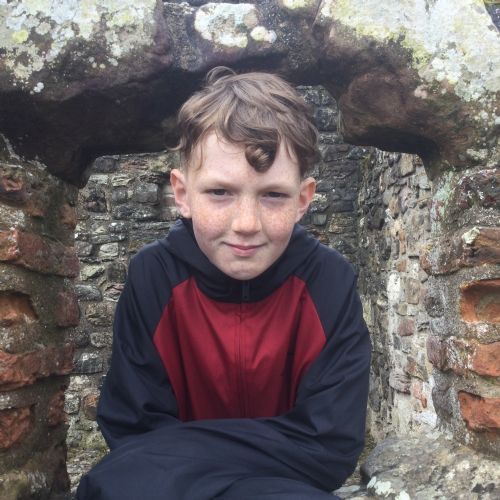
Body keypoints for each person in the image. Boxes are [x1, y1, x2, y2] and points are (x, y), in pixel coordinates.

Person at [77, 66, 371, 500]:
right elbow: (132, 425)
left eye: (273, 195)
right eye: (220, 192)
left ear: (303, 199)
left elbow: (329, 445)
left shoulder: (329, 281)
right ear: (182, 194)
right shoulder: (154, 275)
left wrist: (161, 458)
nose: (246, 224)